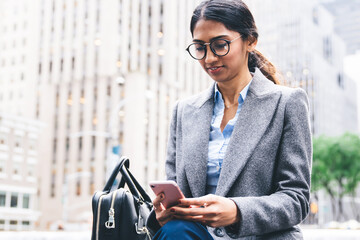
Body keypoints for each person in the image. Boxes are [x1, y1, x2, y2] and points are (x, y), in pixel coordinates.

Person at [146, 0, 312, 239]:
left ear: (250, 41)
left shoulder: (287, 103)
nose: (210, 58)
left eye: (220, 45)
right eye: (200, 48)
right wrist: (164, 211)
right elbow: (175, 191)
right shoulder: (183, 111)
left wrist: (237, 212)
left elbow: (296, 199)